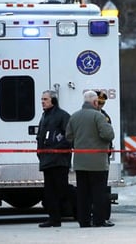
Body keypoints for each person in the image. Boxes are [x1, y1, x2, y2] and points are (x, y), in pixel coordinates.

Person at [66, 90, 115, 227]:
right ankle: (99, 220)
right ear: (94, 102)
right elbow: (108, 135)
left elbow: (68, 136)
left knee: (83, 194)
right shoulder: (98, 116)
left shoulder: (74, 116)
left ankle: (84, 221)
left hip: (80, 162)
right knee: (98, 193)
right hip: (98, 162)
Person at [36, 90, 72, 227]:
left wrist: (57, 149)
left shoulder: (62, 116)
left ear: (53, 101)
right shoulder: (44, 116)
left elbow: (69, 137)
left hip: (59, 160)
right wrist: (40, 153)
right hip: (46, 160)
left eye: (45, 99)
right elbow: (40, 136)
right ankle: (54, 219)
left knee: (63, 189)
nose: (42, 102)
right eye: (42, 99)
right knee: (49, 192)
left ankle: (84, 208)